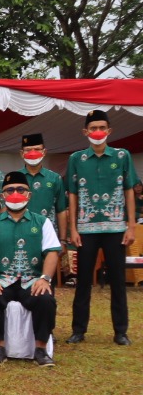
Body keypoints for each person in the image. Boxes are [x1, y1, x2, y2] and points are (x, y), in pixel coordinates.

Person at [66, 109, 138, 345]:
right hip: (86, 229)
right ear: (85, 132)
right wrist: (73, 229)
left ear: (109, 130)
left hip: (116, 228)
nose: (98, 132)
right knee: (83, 280)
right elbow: (73, 194)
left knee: (117, 280)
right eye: (93, 128)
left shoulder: (121, 155)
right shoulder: (77, 158)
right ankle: (78, 330)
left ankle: (120, 331)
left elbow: (129, 190)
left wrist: (131, 224)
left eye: (101, 128)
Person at [0, 171, 59, 367]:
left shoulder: (42, 222)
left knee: (46, 298)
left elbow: (52, 252)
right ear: (3, 195)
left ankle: (40, 349)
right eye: (10, 190)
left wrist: (45, 278)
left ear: (29, 194)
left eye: (21, 189)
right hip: (1, 279)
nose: (15, 193)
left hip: (32, 279)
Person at [18, 133, 69, 245]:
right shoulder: (15, 178)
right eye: (28, 150)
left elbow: (61, 210)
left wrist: (63, 240)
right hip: (20, 235)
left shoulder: (55, 178)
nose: (33, 153)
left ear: (44, 152)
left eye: (37, 149)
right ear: (22, 153)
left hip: (48, 235)